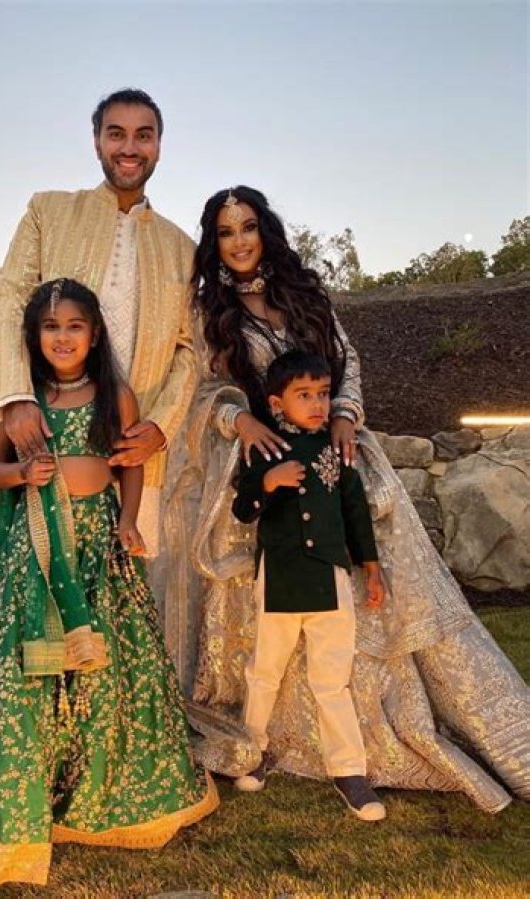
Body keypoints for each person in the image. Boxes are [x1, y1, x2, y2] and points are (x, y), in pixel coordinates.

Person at [164, 185, 529, 814]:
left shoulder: (305, 296)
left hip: (340, 454)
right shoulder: (211, 313)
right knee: (269, 637)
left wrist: (344, 415)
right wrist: (238, 421)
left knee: (389, 603)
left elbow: (347, 361)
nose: (240, 241)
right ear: (214, 243)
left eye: (248, 227)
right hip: (268, 466)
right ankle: (266, 739)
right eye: (225, 232)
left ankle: (433, 736)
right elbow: (201, 388)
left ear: (265, 230)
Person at [0, 279, 218, 888]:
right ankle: (29, 787)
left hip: (98, 548)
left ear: (94, 334)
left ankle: (90, 790)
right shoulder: (22, 406)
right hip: (38, 552)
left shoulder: (116, 396)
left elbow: (130, 463)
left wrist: (128, 520)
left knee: (105, 663)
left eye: (74, 326)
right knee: (31, 664)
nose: (62, 337)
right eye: (50, 327)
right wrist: (23, 473)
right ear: (33, 336)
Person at [0, 87, 196, 557]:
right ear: (97, 141)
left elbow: (190, 348)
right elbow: (10, 297)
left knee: (124, 583)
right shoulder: (49, 212)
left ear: (158, 146)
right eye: (116, 134)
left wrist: (160, 426)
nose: (129, 147)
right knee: (35, 583)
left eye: (143, 136)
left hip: (131, 452)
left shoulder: (182, 248)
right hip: (44, 436)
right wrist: (15, 396)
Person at [232, 350, 386, 822]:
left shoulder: (336, 450)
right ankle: (252, 751)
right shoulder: (264, 450)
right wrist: (269, 482)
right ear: (278, 404)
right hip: (279, 577)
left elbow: (356, 512)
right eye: (305, 395)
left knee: (332, 678)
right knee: (264, 672)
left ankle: (349, 770)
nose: (318, 404)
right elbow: (242, 509)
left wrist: (371, 567)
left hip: (330, 578)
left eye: (323, 394)